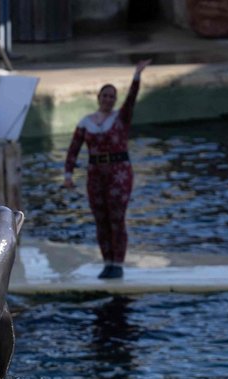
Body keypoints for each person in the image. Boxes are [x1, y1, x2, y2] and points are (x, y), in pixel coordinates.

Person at [63, 59, 152, 280]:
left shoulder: (121, 118)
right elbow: (74, 149)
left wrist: (137, 76)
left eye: (112, 96)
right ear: (98, 98)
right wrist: (68, 174)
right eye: (105, 95)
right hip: (95, 173)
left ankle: (118, 264)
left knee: (117, 218)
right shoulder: (86, 122)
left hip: (119, 173)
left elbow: (131, 99)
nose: (108, 99)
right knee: (101, 219)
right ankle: (107, 263)